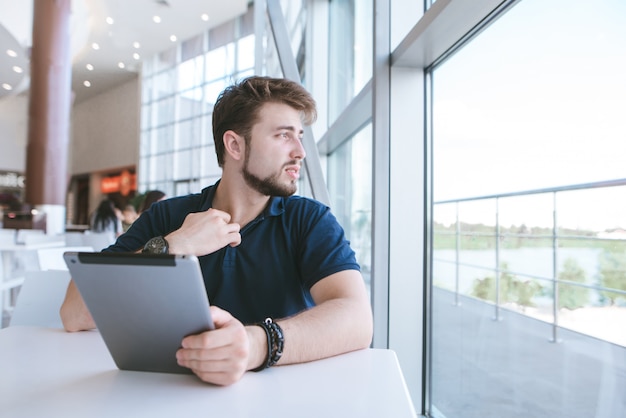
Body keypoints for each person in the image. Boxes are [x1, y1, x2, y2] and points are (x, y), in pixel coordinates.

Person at [60, 76, 373, 386]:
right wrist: (173, 246)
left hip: (280, 400)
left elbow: (358, 319)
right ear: (235, 145)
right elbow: (74, 313)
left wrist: (257, 345)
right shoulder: (169, 217)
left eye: (300, 136)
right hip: (169, 395)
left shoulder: (309, 220)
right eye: (283, 136)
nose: (300, 152)